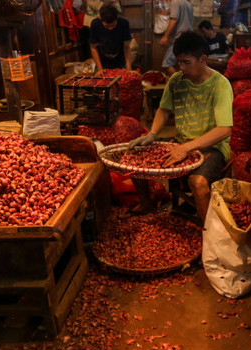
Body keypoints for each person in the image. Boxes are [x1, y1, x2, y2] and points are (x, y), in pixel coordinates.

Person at [127, 31, 234, 224]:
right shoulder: (176, 80)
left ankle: (209, 232)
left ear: (203, 59)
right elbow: (163, 110)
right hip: (180, 141)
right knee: (133, 157)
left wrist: (186, 148)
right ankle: (146, 204)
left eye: (187, 62)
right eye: (179, 62)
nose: (181, 68)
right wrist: (153, 133)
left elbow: (224, 130)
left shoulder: (220, 85)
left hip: (213, 147)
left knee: (198, 182)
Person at [89, 4, 132, 74]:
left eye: (113, 25)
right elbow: (93, 47)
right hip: (102, 64)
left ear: (117, 18)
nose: (110, 28)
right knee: (100, 82)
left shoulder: (124, 23)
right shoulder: (95, 24)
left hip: (120, 63)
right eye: (107, 26)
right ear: (100, 19)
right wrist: (100, 69)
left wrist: (129, 69)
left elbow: (127, 47)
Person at [160, 0, 194, 76]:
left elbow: (174, 19)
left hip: (180, 38)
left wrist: (165, 36)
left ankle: (179, 83)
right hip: (189, 38)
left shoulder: (175, 2)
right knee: (185, 64)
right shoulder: (189, 4)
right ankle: (187, 83)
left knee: (167, 63)